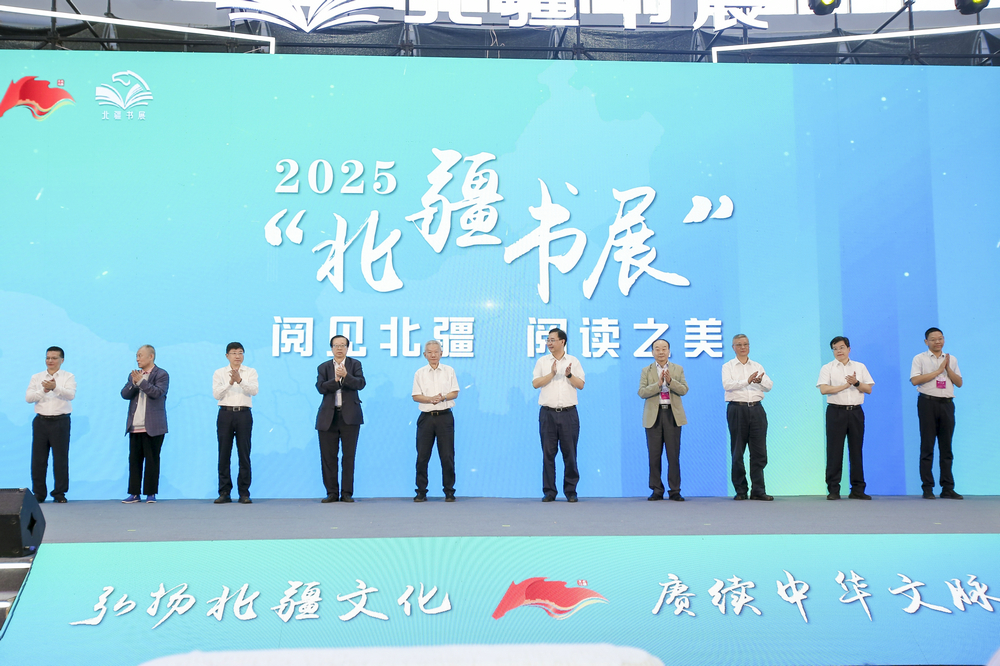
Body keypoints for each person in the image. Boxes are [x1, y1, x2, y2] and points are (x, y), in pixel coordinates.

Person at [816, 336, 874, 501]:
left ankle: (857, 489)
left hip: (855, 412)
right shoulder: (827, 368)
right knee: (834, 451)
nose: (838, 351)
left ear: (849, 349)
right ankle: (833, 489)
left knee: (856, 450)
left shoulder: (859, 367)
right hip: (836, 412)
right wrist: (844, 386)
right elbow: (824, 390)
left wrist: (856, 383)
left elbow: (868, 389)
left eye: (841, 347)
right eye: (835, 348)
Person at [532, 328, 585, 502]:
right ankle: (549, 491)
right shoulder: (542, 362)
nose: (549, 343)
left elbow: (581, 385)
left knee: (570, 454)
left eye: (552, 340)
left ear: (562, 341)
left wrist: (569, 374)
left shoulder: (573, 361)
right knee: (548, 454)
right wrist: (552, 373)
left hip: (569, 414)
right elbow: (536, 383)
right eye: (548, 340)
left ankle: (571, 491)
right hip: (547, 414)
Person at [910, 327, 963, 500]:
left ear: (944, 340)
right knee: (927, 446)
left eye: (940, 338)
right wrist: (938, 371)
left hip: (947, 404)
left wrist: (947, 369)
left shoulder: (951, 359)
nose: (937, 342)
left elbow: (959, 383)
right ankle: (927, 488)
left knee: (946, 447)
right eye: (933, 339)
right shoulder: (919, 358)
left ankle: (947, 488)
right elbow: (915, 380)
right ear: (926, 342)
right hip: (927, 403)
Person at [721, 334, 773, 501]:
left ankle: (758, 490)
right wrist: (747, 381)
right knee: (738, 451)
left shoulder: (757, 365)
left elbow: (769, 386)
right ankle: (741, 490)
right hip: (737, 409)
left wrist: (758, 381)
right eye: (739, 344)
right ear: (733, 348)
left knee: (759, 452)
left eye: (745, 344)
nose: (743, 347)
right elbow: (727, 385)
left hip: (756, 409)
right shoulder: (728, 366)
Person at [315, 335, 365, 503]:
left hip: (350, 417)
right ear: (331, 348)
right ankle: (331, 492)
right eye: (336, 345)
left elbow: (360, 384)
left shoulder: (355, 364)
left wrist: (346, 376)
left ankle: (347, 493)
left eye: (342, 345)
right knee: (328, 457)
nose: (339, 348)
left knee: (348, 457)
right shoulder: (323, 367)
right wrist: (336, 380)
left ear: (347, 348)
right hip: (328, 417)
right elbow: (321, 388)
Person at [637, 339, 688, 501]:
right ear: (652, 352)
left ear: (669, 351)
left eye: (664, 348)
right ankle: (657, 489)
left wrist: (670, 382)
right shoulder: (646, 370)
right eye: (657, 349)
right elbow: (641, 392)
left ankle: (675, 490)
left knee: (673, 455)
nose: (661, 352)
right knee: (654, 455)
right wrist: (658, 385)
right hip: (654, 416)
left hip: (672, 415)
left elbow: (684, 390)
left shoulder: (677, 369)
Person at [25, 346, 76, 504]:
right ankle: (39, 494)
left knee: (60, 459)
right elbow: (28, 398)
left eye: (54, 358)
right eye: (48, 358)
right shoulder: (37, 377)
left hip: (61, 421)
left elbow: (71, 395)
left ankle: (59, 493)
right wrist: (44, 391)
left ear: (62, 360)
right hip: (41, 422)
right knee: (38, 460)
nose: (50, 361)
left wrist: (55, 388)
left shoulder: (68, 376)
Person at [411, 340, 460, 502]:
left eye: (436, 352)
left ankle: (449, 491)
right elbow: (415, 396)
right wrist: (429, 399)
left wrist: (443, 397)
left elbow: (455, 393)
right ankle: (421, 491)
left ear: (441, 353)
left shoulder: (449, 371)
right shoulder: (419, 373)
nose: (433, 355)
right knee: (422, 456)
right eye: (429, 352)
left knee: (447, 456)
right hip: (426, 418)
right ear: (424, 355)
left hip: (445, 417)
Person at [121, 345, 169, 504]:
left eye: (140, 355)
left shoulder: (161, 374)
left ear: (151, 356)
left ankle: (151, 493)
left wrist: (141, 382)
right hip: (135, 425)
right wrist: (134, 383)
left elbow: (157, 393)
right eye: (136, 356)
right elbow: (125, 394)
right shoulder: (134, 375)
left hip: (154, 426)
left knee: (152, 460)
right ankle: (134, 493)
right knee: (134, 460)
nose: (137, 359)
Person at [212, 342, 259, 505]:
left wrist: (240, 380)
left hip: (244, 414)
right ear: (227, 356)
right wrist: (230, 382)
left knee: (244, 453)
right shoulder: (219, 373)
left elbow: (254, 391)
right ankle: (224, 492)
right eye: (233, 353)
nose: (237, 356)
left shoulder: (250, 372)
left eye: (240, 352)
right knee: (224, 453)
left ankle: (244, 493)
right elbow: (216, 395)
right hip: (225, 414)